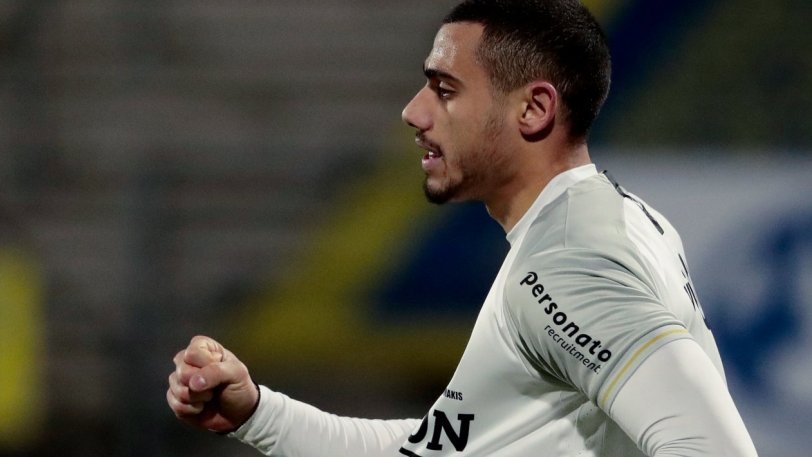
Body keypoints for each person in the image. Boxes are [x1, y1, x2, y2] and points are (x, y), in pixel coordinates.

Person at [167, 1, 759, 455]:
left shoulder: (566, 261)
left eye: (445, 90)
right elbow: (436, 448)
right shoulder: (612, 221)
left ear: (534, 109)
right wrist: (258, 415)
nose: (414, 112)